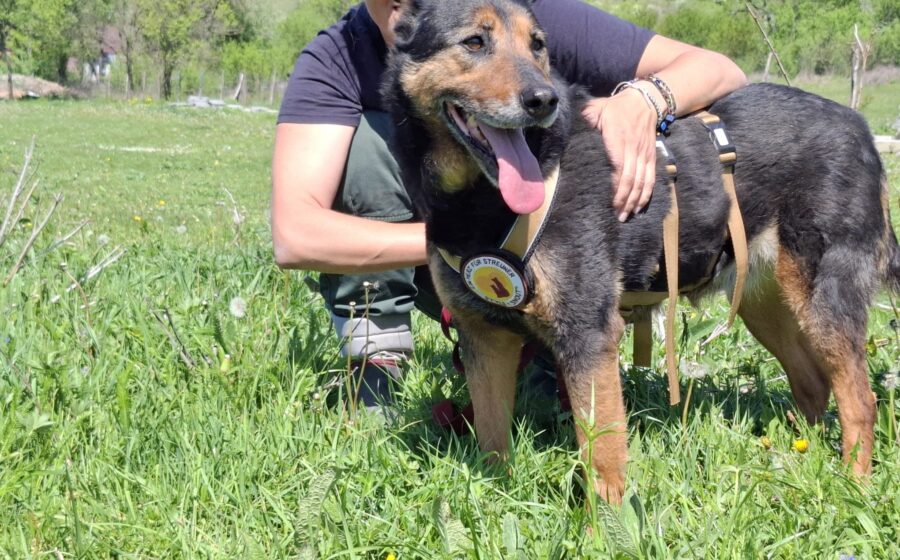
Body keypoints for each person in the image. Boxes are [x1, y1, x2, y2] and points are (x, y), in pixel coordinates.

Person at [271, 0, 747, 407]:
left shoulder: (516, 16)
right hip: (442, 253)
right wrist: (467, 248)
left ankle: (545, 358)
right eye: (474, 45)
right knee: (367, 145)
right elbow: (296, 237)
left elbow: (721, 70)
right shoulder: (338, 56)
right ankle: (376, 356)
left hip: (550, 251)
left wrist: (644, 99)